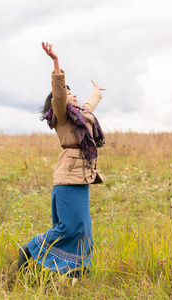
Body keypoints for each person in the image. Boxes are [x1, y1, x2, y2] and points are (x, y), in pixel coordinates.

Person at [18, 42, 106, 276]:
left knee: (83, 230)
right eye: (69, 93)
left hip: (81, 178)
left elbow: (88, 106)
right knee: (67, 228)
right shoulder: (64, 116)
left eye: (72, 92)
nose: (73, 94)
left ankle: (78, 271)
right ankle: (30, 249)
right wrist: (56, 63)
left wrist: (96, 91)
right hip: (68, 179)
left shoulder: (80, 117)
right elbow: (59, 95)